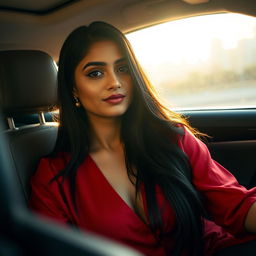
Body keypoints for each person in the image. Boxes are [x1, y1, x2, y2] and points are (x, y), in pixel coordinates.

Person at [29, 21, 256, 256]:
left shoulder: (173, 138)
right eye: (95, 73)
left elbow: (237, 205)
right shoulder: (53, 178)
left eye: (123, 68)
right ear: (73, 88)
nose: (114, 82)